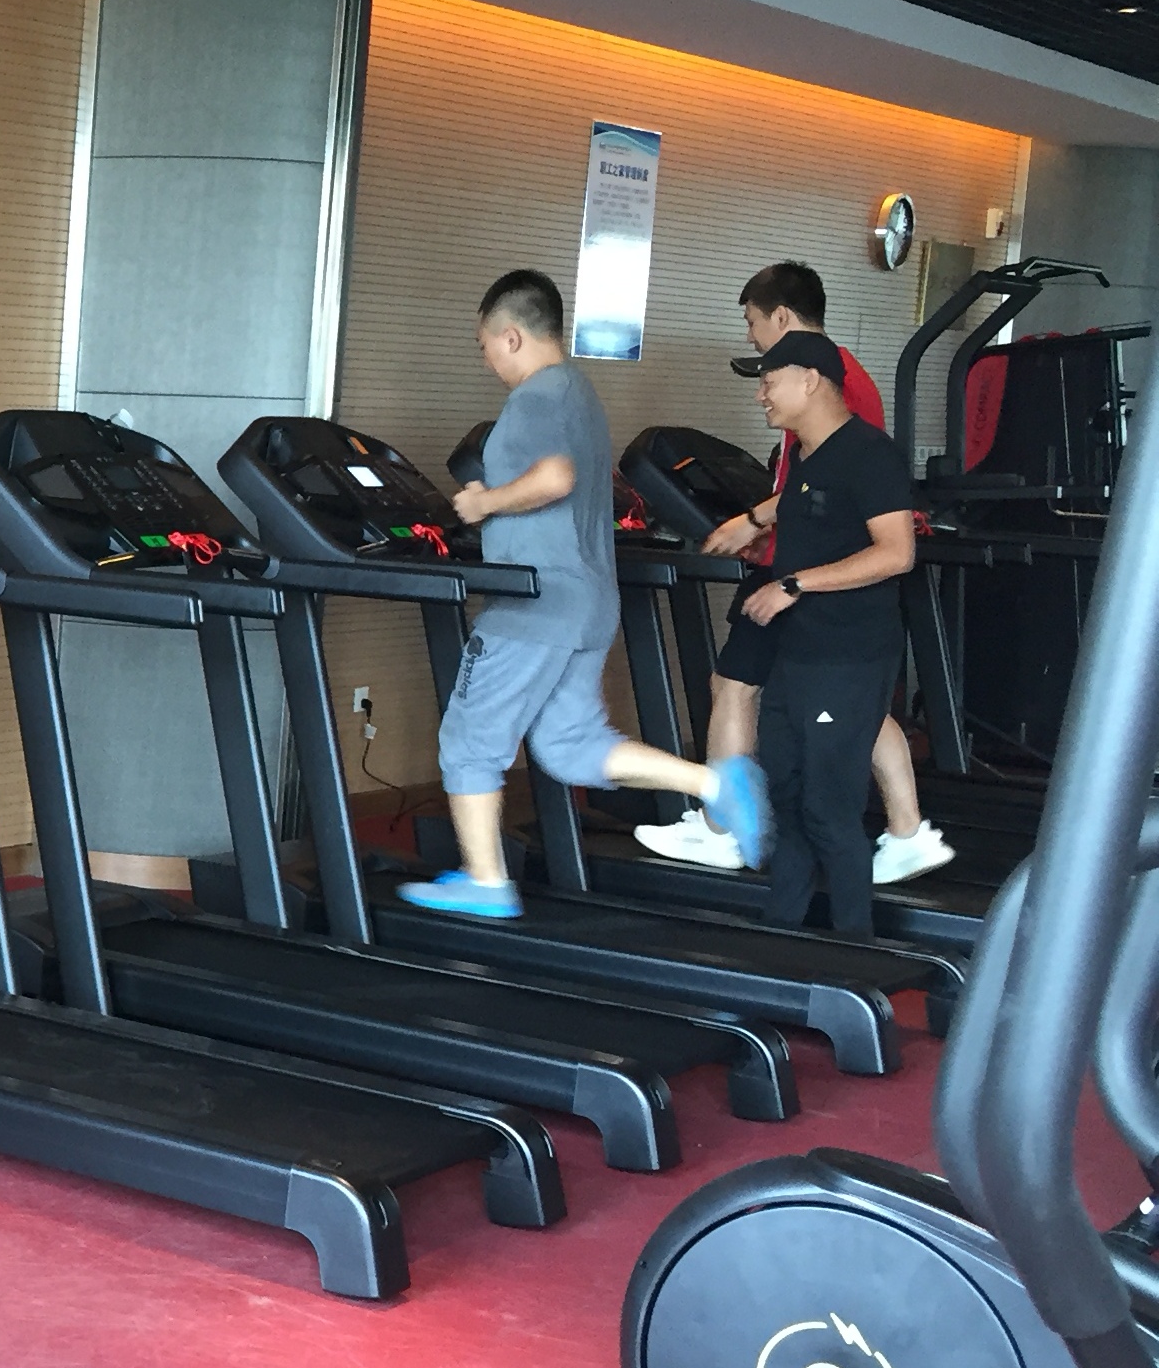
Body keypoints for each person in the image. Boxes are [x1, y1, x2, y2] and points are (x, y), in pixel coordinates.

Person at [398, 269, 770, 919]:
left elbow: (555, 478)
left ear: (511, 337)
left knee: (469, 740)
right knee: (570, 745)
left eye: (485, 346)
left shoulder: (536, 397)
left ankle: (485, 881)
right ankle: (715, 783)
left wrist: (485, 502)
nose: (486, 361)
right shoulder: (580, 394)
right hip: (587, 602)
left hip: (532, 604)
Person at [633, 261, 953, 883]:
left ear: (781, 317)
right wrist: (758, 522)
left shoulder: (835, 386)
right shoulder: (833, 378)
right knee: (841, 703)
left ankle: (724, 830)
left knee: (737, 685)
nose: (752, 338)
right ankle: (907, 830)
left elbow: (845, 486)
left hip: (810, 577)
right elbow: (816, 483)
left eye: (753, 323)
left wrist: (769, 542)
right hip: (798, 568)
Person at [726, 329, 921, 937]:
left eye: (769, 382)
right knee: (787, 805)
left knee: (829, 812)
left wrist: (794, 584)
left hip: (848, 658)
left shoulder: (869, 454)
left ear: (809, 381)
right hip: (797, 655)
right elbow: (807, 513)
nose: (761, 395)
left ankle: (854, 947)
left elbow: (897, 553)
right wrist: (754, 526)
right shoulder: (806, 459)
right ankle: (783, 940)